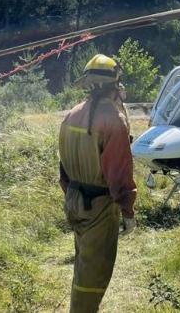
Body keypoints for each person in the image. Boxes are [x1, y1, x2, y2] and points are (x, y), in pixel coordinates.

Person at [58, 54, 137, 312]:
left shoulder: (71, 115)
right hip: (100, 205)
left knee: (84, 265)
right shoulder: (114, 120)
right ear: (114, 84)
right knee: (95, 274)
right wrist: (127, 210)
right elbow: (119, 172)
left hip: (74, 200)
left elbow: (63, 167)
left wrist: (72, 194)